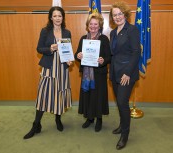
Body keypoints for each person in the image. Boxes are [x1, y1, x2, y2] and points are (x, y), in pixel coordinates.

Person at [23, 6, 73, 139]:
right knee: (43, 95)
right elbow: (39, 48)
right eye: (55, 16)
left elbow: (68, 50)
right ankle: (36, 124)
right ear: (51, 18)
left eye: (60, 16)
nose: (57, 18)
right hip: (49, 67)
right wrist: (50, 48)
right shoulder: (45, 31)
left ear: (63, 18)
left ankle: (58, 119)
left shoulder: (67, 32)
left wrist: (69, 60)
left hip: (62, 68)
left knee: (59, 94)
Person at [109, 1, 141, 150]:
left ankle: (125, 135)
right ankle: (122, 126)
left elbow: (136, 52)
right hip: (115, 73)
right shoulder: (113, 32)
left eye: (120, 14)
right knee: (120, 102)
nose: (117, 17)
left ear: (125, 14)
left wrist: (128, 72)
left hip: (126, 74)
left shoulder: (132, 30)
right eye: (115, 15)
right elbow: (113, 53)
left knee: (122, 103)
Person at [74, 13, 111, 132]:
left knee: (98, 97)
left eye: (96, 24)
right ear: (88, 25)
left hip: (99, 74)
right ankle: (89, 118)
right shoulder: (83, 38)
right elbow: (77, 54)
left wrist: (103, 60)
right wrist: (78, 56)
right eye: (91, 24)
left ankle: (99, 119)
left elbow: (109, 57)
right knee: (88, 96)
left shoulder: (104, 39)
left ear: (100, 25)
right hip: (86, 74)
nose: (93, 26)